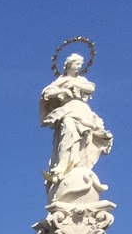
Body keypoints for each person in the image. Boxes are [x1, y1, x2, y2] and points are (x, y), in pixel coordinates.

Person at [39, 53, 113, 194]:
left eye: (80, 64)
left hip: (82, 110)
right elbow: (46, 93)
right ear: (69, 65)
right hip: (68, 109)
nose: (79, 67)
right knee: (69, 129)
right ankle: (63, 164)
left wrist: (74, 84)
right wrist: (64, 90)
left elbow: (91, 88)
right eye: (77, 64)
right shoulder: (62, 80)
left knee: (85, 136)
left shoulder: (81, 80)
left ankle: (77, 161)